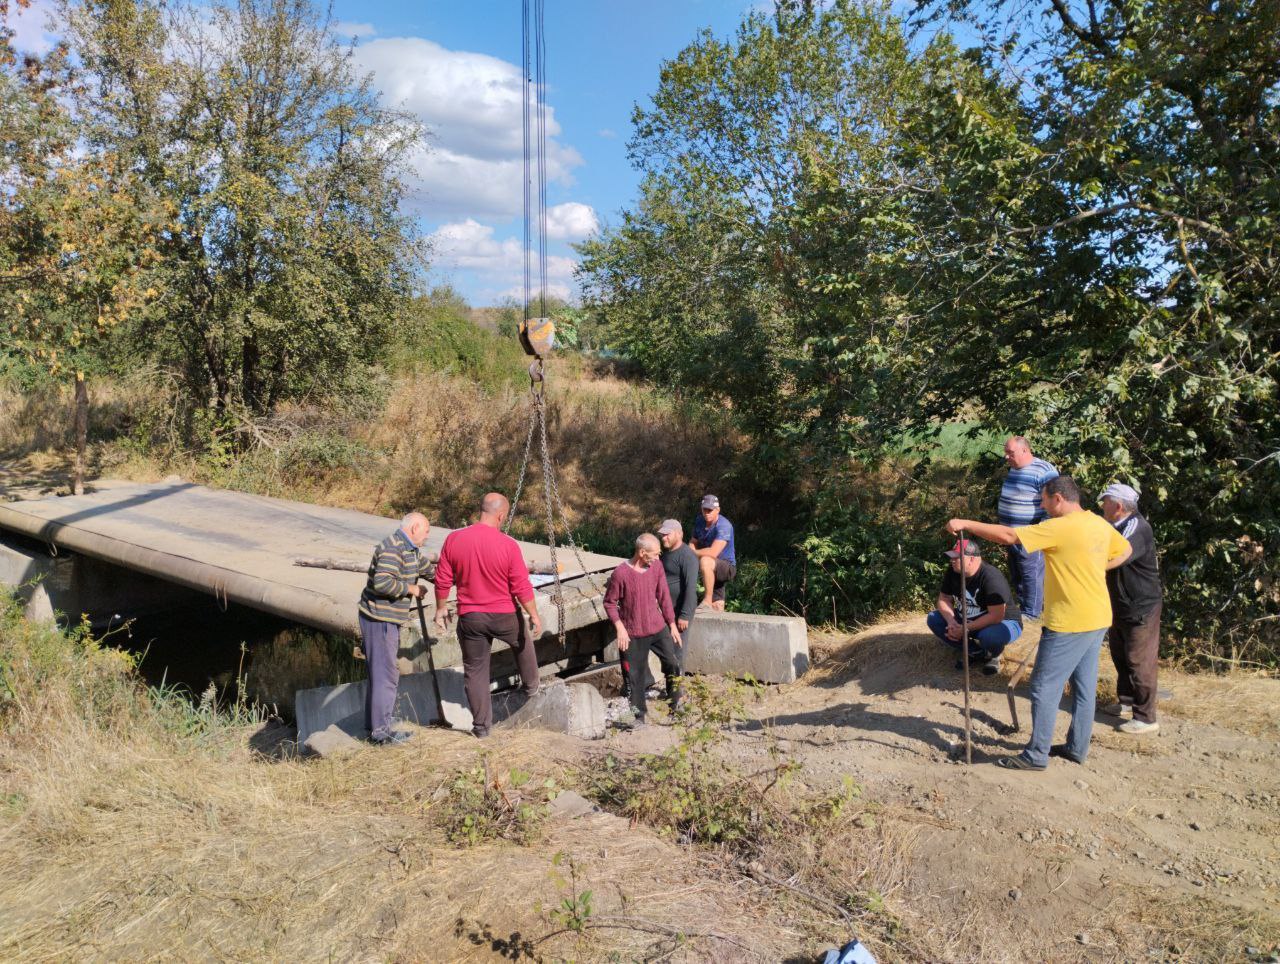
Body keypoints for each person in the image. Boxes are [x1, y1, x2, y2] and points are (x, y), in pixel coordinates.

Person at [948, 476, 1131, 771]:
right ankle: (1076, 748)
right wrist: (1092, 567)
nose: (1041, 505)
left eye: (1044, 500)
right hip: (1098, 617)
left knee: (1044, 688)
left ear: (1058, 499)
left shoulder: (1058, 527)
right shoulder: (1097, 523)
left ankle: (1035, 755)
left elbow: (1009, 537)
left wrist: (965, 524)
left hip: (1070, 622)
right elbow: (1125, 551)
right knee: (1083, 688)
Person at [433, 493, 543, 739]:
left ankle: (482, 728)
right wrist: (533, 614)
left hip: (471, 616)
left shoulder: (454, 539)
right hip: (504, 614)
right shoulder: (508, 545)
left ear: (480, 510)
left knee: (475, 670)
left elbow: (442, 579)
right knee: (522, 644)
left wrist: (441, 608)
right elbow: (520, 587)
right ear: (501, 515)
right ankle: (532, 686)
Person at [358, 511, 433, 745]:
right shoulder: (393, 548)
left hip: (388, 618)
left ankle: (375, 725)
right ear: (414, 529)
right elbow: (382, 582)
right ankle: (381, 733)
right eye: (426, 531)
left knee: (381, 674)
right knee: (386, 676)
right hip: (379, 619)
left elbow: (429, 570)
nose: (428, 537)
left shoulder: (410, 548)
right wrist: (411, 590)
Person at [1098, 483, 1163, 735]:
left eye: (1105, 501)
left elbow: (1118, 557)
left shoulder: (1137, 528)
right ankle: (1126, 702)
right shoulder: (1116, 525)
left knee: (1139, 660)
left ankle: (1146, 718)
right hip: (1121, 604)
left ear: (1118, 505)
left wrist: (1089, 565)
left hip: (1141, 605)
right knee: (1120, 653)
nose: (1102, 505)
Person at [603, 533, 683, 726]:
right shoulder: (621, 574)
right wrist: (620, 628)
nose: (657, 558)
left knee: (672, 663)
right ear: (641, 552)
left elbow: (663, 595)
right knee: (634, 676)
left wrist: (671, 624)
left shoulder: (656, 566)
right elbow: (609, 603)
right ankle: (638, 716)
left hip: (656, 627)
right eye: (654, 554)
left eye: (659, 554)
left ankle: (675, 702)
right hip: (633, 633)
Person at [927, 538, 1023, 676]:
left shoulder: (991, 577)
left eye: (956, 557)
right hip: (968, 620)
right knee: (934, 619)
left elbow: (996, 616)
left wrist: (965, 628)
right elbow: (944, 599)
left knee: (990, 637)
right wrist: (952, 622)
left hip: (1002, 622)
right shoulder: (953, 572)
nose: (952, 561)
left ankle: (994, 653)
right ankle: (974, 651)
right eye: (951, 557)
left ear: (971, 559)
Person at [998, 436, 1059, 620]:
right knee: (1018, 573)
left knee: (1031, 573)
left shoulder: (1044, 470)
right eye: (1006, 452)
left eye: (1010, 453)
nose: (1006, 457)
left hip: (1031, 535)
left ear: (1025, 450)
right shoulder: (1014, 468)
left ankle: (1031, 614)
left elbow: (1054, 502)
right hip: (1011, 535)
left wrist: (1040, 531)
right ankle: (1023, 610)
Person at [691, 494, 736, 611]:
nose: (706, 513)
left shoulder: (724, 525)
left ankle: (707, 601)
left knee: (705, 560)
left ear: (718, 510)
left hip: (727, 566)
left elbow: (713, 552)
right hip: (711, 567)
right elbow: (693, 541)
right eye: (704, 509)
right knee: (717, 606)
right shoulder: (699, 520)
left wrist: (692, 553)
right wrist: (690, 549)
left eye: (710, 510)